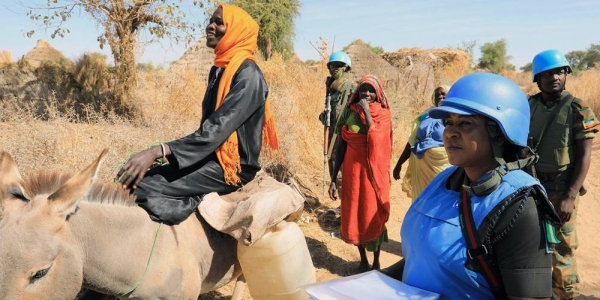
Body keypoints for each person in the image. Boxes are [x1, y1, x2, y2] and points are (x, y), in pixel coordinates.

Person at [381, 73, 561, 299]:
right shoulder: (444, 181)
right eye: (449, 122)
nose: (450, 133)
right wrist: (373, 280)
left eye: (465, 123)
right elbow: (420, 256)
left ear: (501, 134)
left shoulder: (520, 205)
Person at [115, 4, 278, 226]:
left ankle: (194, 205)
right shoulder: (219, 69)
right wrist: (170, 155)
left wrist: (159, 151)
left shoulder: (249, 75)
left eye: (219, 22)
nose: (210, 26)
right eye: (211, 20)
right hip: (211, 157)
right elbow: (208, 128)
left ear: (236, 30)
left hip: (233, 167)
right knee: (127, 178)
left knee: (142, 186)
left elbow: (216, 130)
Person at [529, 49, 599, 300]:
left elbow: (584, 156)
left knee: (562, 247)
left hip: (561, 189)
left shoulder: (577, 108)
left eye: (560, 71)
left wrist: (570, 195)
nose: (554, 77)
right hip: (533, 187)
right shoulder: (529, 107)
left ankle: (566, 294)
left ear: (567, 74)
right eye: (547, 73)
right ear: (537, 78)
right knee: (532, 242)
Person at [328, 75, 392, 272]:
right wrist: (333, 179)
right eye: (363, 89)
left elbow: (378, 141)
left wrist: (366, 111)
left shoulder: (383, 115)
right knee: (355, 213)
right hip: (353, 174)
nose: (366, 93)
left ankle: (376, 262)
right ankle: (363, 259)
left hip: (374, 174)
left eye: (371, 90)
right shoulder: (350, 112)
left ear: (378, 93)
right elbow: (341, 146)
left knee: (372, 214)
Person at [393, 85, 451, 201]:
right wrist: (399, 164)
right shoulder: (425, 116)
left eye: (443, 94)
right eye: (437, 94)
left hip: (442, 168)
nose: (440, 96)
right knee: (421, 202)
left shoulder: (453, 116)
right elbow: (412, 141)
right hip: (420, 169)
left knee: (440, 201)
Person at [319, 51, 355, 226]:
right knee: (334, 167)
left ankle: (348, 213)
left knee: (342, 173)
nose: (334, 69)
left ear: (346, 68)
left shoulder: (350, 87)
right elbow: (330, 109)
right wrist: (323, 116)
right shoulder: (331, 86)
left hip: (344, 137)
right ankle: (344, 207)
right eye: (332, 66)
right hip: (333, 133)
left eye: (338, 66)